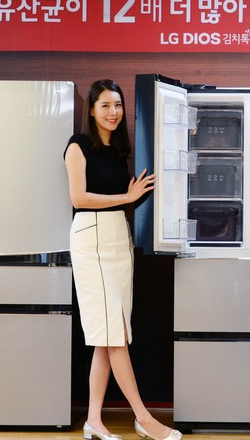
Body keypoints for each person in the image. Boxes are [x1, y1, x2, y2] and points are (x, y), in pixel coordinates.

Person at [64, 79, 181, 440]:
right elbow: (79, 198)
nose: (113, 112)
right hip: (92, 238)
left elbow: (128, 197)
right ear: (91, 110)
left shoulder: (117, 151)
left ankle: (93, 420)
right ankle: (144, 418)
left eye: (117, 105)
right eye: (105, 106)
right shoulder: (77, 145)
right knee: (114, 336)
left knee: (108, 334)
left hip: (117, 236)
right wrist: (126, 198)